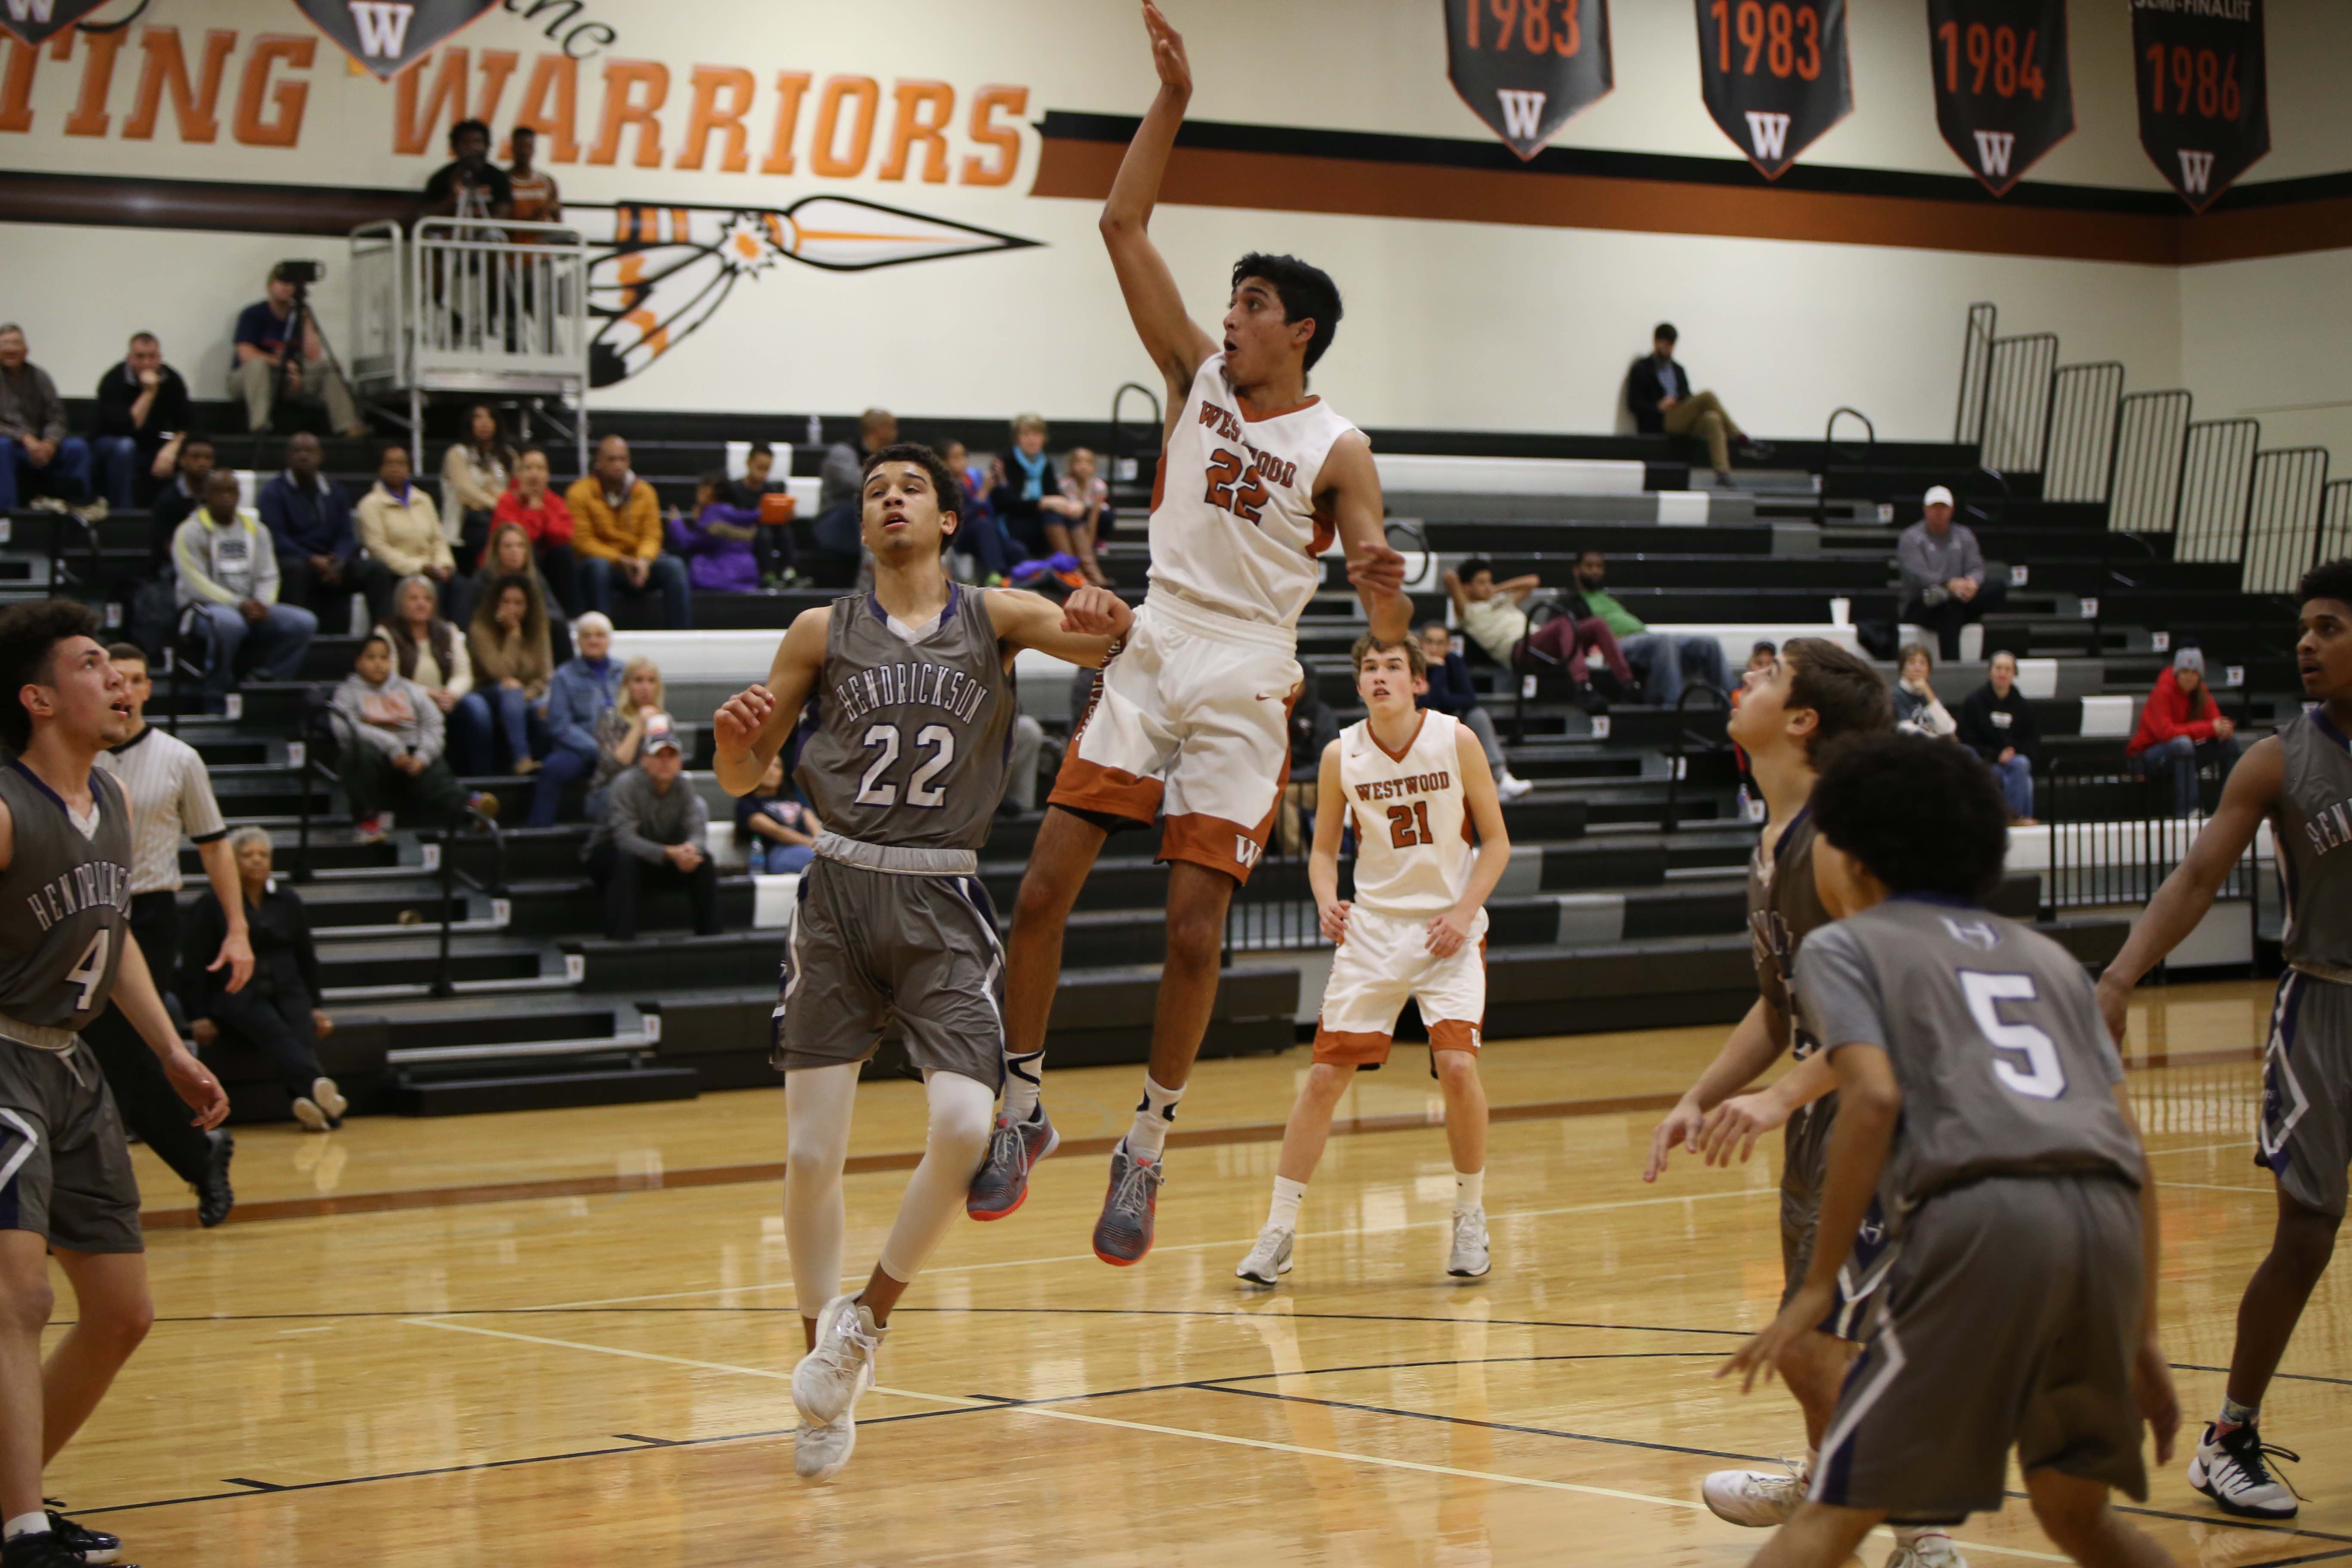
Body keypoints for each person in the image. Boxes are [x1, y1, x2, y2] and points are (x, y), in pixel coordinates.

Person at [967, 2, 1410, 1266]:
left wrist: (1385, 587)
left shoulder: (1339, 448)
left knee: (1194, 931)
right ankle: (1024, 1103)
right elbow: (1120, 225)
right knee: (1042, 890)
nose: (1230, 317)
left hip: (1251, 668)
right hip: (1151, 645)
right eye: (1230, 302)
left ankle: (1147, 1144)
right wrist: (1170, 103)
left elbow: (1384, 621)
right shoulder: (1195, 380)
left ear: (1303, 329)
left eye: (1253, 303)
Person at [709, 439, 1131, 1482]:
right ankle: (819, 1362)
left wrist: (1105, 617)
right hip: (839, 896)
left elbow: (1100, 648)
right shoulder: (818, 630)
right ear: (863, 525)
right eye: (874, 493)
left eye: (910, 490)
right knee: (811, 1155)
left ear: (948, 521)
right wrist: (729, 741)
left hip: (941, 893)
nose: (889, 500)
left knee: (958, 1123)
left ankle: (864, 1324)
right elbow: (739, 779)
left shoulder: (993, 615)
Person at [1723, 733, 2178, 1568]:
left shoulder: (1845, 947)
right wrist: (2141, 1333)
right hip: (2100, 1231)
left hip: (1984, 1220)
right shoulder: (2047, 958)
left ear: (1851, 860)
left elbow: (1877, 1094)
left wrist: (1817, 1288)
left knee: (1832, 1516)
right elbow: (2129, 1150)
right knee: (2080, 1519)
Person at [1638, 641, 1954, 1568]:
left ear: (1805, 720)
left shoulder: (1839, 840)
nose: (1747, 685)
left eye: (1770, 680)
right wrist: (1698, 1098)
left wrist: (1781, 1097)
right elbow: (1781, 1011)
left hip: (1886, 1111)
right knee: (1809, 1337)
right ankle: (1831, 1477)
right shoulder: (1773, 841)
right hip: (1822, 1111)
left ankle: (1924, 1533)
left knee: (1843, 1336)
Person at [2095, 559, 2352, 1524]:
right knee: (2310, 1233)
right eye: (2305, 627)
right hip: (2323, 1008)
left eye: (2329, 626)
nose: (2307, 642)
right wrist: (2121, 975)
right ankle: (2230, 1437)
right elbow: (2199, 878)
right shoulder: (2279, 760)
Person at [0, 598, 229, 1568]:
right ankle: (21, 1528)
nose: (121, 680)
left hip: (74, 1061)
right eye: (96, 665)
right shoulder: (6, 808)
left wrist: (170, 1049)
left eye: (122, 667)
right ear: (40, 698)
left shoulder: (118, 803)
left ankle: (9, 1499)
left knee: (123, 1310)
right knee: (17, 1297)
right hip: (4, 1055)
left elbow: (112, 932)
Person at [1237, 634, 1511, 1288]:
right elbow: (1324, 852)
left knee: (1455, 1066)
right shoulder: (1342, 754)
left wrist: (1463, 913)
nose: (1380, 676)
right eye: (1369, 668)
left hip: (1449, 928)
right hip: (1375, 933)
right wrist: (1329, 901)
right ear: (1358, 686)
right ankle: (1277, 1232)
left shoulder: (1456, 740)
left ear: (1419, 682)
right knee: (1325, 1081)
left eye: (1394, 666)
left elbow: (1497, 843)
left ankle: (1470, 1216)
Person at [86, 644, 244, 1229]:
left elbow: (215, 844)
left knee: (117, 1059)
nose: (123, 689)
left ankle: (93, 1208)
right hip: (89, 913)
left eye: (135, 680)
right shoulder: (79, 753)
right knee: (117, 1062)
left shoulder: (180, 758)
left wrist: (239, 929)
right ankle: (203, 1155)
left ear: (147, 689)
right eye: (113, 679)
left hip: (150, 915)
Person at [183, 828, 345, 1132]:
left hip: (289, 987)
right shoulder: (212, 903)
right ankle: (325, 1097)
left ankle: (309, 1104)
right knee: (277, 1035)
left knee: (301, 1036)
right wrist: (198, 1015)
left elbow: (306, 955)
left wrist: (317, 1006)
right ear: (232, 861)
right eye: (247, 855)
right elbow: (194, 962)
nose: (257, 861)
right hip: (238, 992)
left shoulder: (287, 899)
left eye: (263, 855)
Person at [327, 633, 496, 843]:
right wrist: (393, 747)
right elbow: (344, 728)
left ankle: (472, 807)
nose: (378, 664)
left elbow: (434, 723)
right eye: (371, 658)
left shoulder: (409, 689)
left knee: (434, 768)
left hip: (413, 755)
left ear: (391, 662)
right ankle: (368, 824)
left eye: (383, 658)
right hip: (376, 757)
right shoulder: (347, 693)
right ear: (358, 662)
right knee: (357, 754)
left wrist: (423, 756)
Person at [173, 469, 319, 706]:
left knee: (304, 622)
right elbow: (195, 583)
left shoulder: (256, 530)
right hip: (202, 609)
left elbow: (269, 575)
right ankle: (214, 694)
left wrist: (263, 603)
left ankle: (267, 684)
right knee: (231, 623)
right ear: (206, 494)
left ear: (240, 494)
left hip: (251, 607)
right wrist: (238, 604)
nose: (226, 497)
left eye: (231, 490)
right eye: (219, 491)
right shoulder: (190, 530)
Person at [583, 714, 717, 942]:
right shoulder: (625, 784)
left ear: (680, 762)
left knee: (704, 862)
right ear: (644, 760)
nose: (665, 762)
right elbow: (624, 839)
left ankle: (712, 939)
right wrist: (668, 853)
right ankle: (620, 941)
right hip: (609, 857)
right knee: (625, 861)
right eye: (658, 756)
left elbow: (697, 829)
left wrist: (690, 850)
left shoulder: (685, 786)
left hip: (657, 858)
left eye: (671, 756)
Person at [1442, 558, 1628, 714]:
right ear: (1466, 587)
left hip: (1540, 642)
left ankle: (1627, 683)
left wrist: (1496, 589)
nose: (1488, 586)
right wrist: (1464, 588)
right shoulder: (1467, 612)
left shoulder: (1501, 600)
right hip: (1520, 651)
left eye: (1489, 581)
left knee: (1597, 623)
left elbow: (1533, 581)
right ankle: (1582, 686)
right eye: (1482, 582)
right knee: (1563, 622)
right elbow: (1449, 577)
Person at [259, 432, 393, 626]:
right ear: (288, 457)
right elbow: (276, 538)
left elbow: (346, 535)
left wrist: (339, 559)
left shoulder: (334, 489)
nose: (304, 456)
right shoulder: (273, 492)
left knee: (376, 570)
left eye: (310, 451)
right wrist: (310, 559)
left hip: (332, 564)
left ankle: (382, 637)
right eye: (297, 451)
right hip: (299, 562)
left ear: (321, 456)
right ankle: (298, 633)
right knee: (293, 569)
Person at [1568, 549, 1732, 707]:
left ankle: (1732, 705)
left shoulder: (1609, 597)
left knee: (1709, 644)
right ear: (1576, 570)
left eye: (1599, 566)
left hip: (1644, 639)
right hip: (1617, 646)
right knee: (1664, 642)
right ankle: (1672, 709)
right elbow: (1571, 637)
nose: (1595, 571)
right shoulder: (1570, 601)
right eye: (1589, 566)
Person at [230, 263, 366, 437]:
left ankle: (348, 426)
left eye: (292, 284)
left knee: (327, 367)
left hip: (289, 379)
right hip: (251, 380)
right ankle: (260, 424)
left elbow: (313, 357)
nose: (287, 287)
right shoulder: (253, 314)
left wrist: (306, 319)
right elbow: (246, 355)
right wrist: (283, 364)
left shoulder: (300, 315)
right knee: (257, 365)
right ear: (270, 286)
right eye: (282, 282)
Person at [568, 435, 690, 628]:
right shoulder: (579, 493)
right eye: (611, 459)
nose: (618, 465)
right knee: (597, 567)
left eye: (622, 459)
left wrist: (643, 560)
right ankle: (600, 636)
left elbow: (652, 535)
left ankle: (681, 636)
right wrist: (619, 559)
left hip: (637, 564)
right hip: (604, 565)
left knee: (675, 567)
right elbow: (583, 542)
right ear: (598, 462)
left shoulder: (645, 492)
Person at [1626, 322, 1765, 481]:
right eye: (1666, 344)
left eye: (1672, 345)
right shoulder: (1642, 369)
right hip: (1661, 419)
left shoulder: (1678, 370)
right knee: (1708, 396)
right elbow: (1633, 404)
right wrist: (1658, 406)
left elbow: (1686, 395)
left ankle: (1723, 473)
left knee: (1713, 418)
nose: (1669, 349)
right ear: (1656, 342)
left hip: (1681, 416)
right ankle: (1741, 439)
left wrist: (1679, 401)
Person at [379, 575, 487, 776]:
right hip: (408, 702)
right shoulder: (387, 633)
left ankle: (481, 777)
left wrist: (451, 694)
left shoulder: (448, 630)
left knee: (477, 708)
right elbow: (389, 677)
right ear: (401, 603)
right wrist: (429, 694)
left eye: (427, 599)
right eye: (414, 599)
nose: (421, 604)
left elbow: (464, 672)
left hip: (447, 701)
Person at [1416, 623, 1534, 801]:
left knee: (1478, 716)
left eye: (1441, 643)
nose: (1434, 648)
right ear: (1421, 643)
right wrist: (1439, 669)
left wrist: (1443, 694)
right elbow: (1425, 703)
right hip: (1423, 724)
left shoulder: (1454, 661)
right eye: (1430, 642)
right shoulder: (1413, 666)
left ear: (1449, 645)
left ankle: (1502, 778)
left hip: (1454, 718)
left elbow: (1470, 699)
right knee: (1432, 715)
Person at [529, 612, 622, 827]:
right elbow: (560, 725)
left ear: (609, 640)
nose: (593, 641)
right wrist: (598, 750)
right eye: (587, 636)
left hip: (621, 748)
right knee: (553, 769)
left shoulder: (625, 672)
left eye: (599, 635)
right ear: (578, 641)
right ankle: (537, 831)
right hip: (579, 750)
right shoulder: (564, 675)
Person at [2127, 647, 2240, 818]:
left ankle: (2229, 808)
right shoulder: (2162, 692)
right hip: (2148, 757)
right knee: (2183, 744)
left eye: (2194, 672)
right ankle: (2189, 811)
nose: (2189, 677)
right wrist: (2211, 728)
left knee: (2230, 744)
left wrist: (2225, 728)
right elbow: (2166, 733)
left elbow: (2216, 721)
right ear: (2177, 673)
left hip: (2180, 754)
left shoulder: (2201, 692)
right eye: (2185, 672)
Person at [1898, 486, 2004, 663]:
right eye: (1935, 507)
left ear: (1952, 510)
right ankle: (1952, 666)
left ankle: (1958, 602)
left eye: (1943, 508)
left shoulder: (1964, 535)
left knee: (1997, 587)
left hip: (1960, 598)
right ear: (1925, 509)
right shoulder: (1911, 538)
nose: (1939, 512)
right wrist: (1949, 585)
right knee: (1949, 608)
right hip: (1924, 602)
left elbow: (1977, 567)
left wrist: (1972, 583)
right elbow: (1919, 575)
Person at [90, 333, 191, 511]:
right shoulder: (113, 380)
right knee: (125, 447)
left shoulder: (172, 380)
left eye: (152, 357)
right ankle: (124, 515)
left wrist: (171, 450)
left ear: (160, 359)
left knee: (191, 452)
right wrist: (149, 393)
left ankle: (176, 516)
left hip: (150, 443)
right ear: (129, 358)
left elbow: (187, 424)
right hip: (109, 442)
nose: (146, 363)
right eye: (140, 357)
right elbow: (127, 428)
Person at [466, 572, 553, 775]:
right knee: (510, 685)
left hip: (524, 696)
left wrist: (523, 696)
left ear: (528, 606)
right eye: (506, 602)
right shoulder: (480, 628)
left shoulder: (539, 629)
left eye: (518, 603)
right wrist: (513, 635)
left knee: (545, 711)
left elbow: (544, 675)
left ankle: (545, 774)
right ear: (496, 603)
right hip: (488, 693)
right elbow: (499, 672)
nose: (512, 609)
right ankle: (521, 760)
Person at [0, 325, 92, 514]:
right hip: (12, 445)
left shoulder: (39, 377)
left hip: (41, 444)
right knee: (2, 447)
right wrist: (24, 438)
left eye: (16, 343)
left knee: (78, 448)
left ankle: (78, 512)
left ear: (26, 350)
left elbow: (57, 416)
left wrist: (50, 443)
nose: (11, 349)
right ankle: (9, 518)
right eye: (5, 344)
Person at [488, 447, 579, 613]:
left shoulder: (555, 502)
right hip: (510, 564)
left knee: (563, 554)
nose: (534, 474)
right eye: (528, 468)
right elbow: (518, 540)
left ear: (548, 475)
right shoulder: (507, 501)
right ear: (519, 475)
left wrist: (541, 510)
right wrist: (533, 512)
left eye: (540, 469)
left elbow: (563, 536)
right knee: (529, 552)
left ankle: (568, 616)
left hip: (549, 566)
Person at [355, 444, 454, 591]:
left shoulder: (423, 499)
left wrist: (444, 565)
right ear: (380, 469)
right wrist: (418, 567)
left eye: (401, 463)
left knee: (461, 585)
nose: (396, 468)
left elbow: (438, 539)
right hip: (398, 573)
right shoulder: (370, 504)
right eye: (390, 463)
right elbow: (377, 548)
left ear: (409, 468)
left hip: (433, 569)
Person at [1958, 650, 2039, 824]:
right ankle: (2000, 820)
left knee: (2021, 765)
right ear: (1990, 672)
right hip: (1985, 760)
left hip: (2014, 761)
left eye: (2007, 669)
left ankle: (2014, 817)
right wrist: (1996, 755)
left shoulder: (2024, 707)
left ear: (2014, 674)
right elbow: (1966, 740)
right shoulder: (1974, 702)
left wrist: (2013, 751)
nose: (2002, 673)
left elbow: (2032, 743)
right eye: (1998, 668)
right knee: (1993, 773)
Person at [812, 409, 898, 560]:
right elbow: (857, 483)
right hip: (835, 520)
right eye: (892, 427)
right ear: (880, 429)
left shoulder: (888, 456)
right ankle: (873, 560)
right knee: (861, 505)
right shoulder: (842, 453)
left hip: (861, 522)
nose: (896, 433)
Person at [439, 404, 513, 570]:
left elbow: (516, 488)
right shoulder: (457, 454)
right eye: (478, 418)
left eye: (490, 418)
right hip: (468, 519)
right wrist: (498, 502)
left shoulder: (508, 455)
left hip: (503, 516)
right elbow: (466, 491)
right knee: (482, 523)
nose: (485, 423)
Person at [668, 468, 762, 592]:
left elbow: (690, 542)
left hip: (724, 578)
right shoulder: (732, 513)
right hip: (749, 575)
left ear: (708, 491)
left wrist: (676, 523)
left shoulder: (712, 514)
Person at [990, 415, 1068, 563]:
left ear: (1044, 438)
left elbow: (1053, 494)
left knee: (1072, 520)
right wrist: (1041, 503)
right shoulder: (1004, 461)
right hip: (1015, 521)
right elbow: (1004, 503)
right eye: (1026, 435)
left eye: (1036, 435)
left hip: (1040, 518)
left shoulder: (1045, 463)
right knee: (1052, 516)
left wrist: (1069, 504)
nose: (1032, 440)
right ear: (1017, 438)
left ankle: (1085, 568)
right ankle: (1072, 569)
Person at [939, 438, 1015, 585]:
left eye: (964, 456)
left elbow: (1002, 503)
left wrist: (1001, 480)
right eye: (956, 458)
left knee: (1017, 549)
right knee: (984, 525)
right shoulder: (946, 486)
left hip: (987, 531)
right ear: (943, 462)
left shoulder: (974, 477)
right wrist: (982, 494)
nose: (962, 461)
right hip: (962, 535)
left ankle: (1018, 579)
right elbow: (960, 516)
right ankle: (995, 574)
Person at [735, 754, 820, 874]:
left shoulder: (793, 800)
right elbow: (778, 832)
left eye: (777, 766)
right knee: (823, 862)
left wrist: (824, 845)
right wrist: (815, 845)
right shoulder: (747, 804)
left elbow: (814, 825)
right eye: (766, 766)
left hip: (810, 848)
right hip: (777, 853)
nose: (771, 771)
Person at [730, 441, 797, 587]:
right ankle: (767, 574)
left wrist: (787, 515)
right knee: (764, 534)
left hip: (771, 530)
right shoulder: (734, 490)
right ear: (749, 463)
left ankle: (788, 571)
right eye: (759, 468)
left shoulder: (772, 490)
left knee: (785, 532)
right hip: (746, 532)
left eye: (767, 469)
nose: (763, 473)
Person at [1045, 444, 1114, 586]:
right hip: (1071, 519)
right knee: (1069, 519)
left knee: (1107, 515)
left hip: (1091, 520)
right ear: (1071, 465)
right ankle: (1078, 572)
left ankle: (1093, 570)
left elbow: (1094, 517)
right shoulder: (1064, 485)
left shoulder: (1099, 487)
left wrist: (1090, 542)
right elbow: (1068, 511)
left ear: (1094, 466)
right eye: (1079, 462)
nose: (1083, 467)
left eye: (1088, 463)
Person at [422, 117, 511, 220]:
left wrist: (477, 229)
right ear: (455, 147)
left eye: (477, 142)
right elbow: (430, 215)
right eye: (465, 142)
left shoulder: (498, 177)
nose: (471, 147)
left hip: (485, 234)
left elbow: (502, 214)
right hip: (449, 234)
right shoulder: (441, 178)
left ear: (487, 146)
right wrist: (453, 195)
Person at [1891, 643, 1958, 740]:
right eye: (1912, 663)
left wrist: (1928, 693)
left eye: (1923, 663)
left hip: (1936, 747)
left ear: (1929, 671)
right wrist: (1937, 740)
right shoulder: (1895, 696)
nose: (1918, 668)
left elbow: (1948, 729)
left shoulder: (1931, 696)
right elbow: (1907, 730)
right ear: (1902, 668)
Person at [505, 124, 561, 227]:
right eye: (520, 146)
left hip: (542, 241)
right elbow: (502, 219)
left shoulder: (547, 182)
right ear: (513, 148)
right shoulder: (503, 181)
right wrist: (535, 216)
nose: (525, 152)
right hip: (513, 241)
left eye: (529, 147)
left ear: (534, 149)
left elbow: (558, 220)